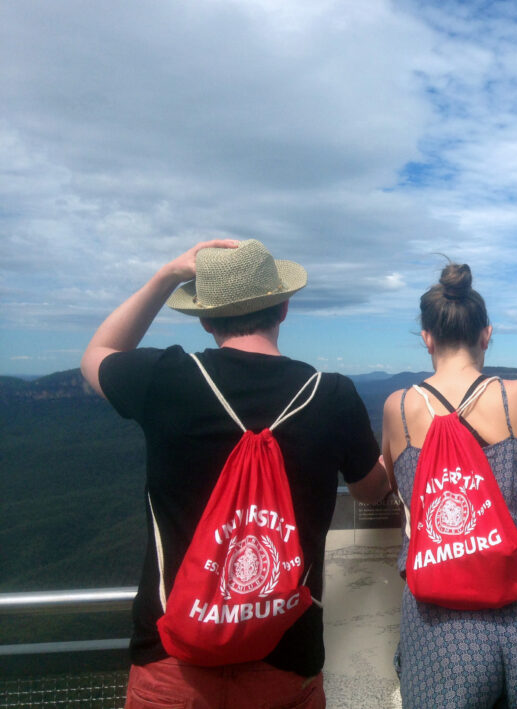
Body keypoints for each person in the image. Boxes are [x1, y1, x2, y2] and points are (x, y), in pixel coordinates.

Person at [80, 239, 390, 709]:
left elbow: (98, 353)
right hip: (286, 662)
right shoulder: (333, 396)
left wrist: (167, 275)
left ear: (205, 318)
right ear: (284, 308)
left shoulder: (166, 379)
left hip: (173, 666)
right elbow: (371, 491)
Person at [381, 262, 517, 708]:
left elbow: (385, 484)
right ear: (486, 334)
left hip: (441, 620)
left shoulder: (398, 407)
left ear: (426, 338)